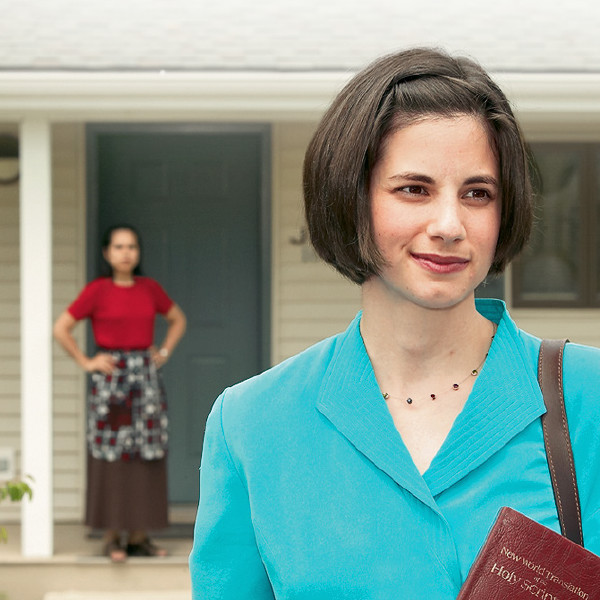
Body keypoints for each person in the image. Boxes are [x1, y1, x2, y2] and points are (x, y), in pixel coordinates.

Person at [189, 47, 600, 598]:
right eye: (415, 189)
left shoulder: (588, 397)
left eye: (478, 193)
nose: (450, 224)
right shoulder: (251, 424)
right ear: (351, 199)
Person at [53, 224, 186, 562]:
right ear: (106, 253)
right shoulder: (97, 291)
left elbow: (177, 319)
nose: (126, 253)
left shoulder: (149, 289)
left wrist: (164, 352)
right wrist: (86, 361)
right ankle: (112, 537)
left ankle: (140, 537)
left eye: (131, 247)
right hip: (111, 386)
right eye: (118, 247)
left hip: (145, 382)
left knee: (146, 454)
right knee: (110, 456)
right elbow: (62, 328)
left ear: (137, 253)